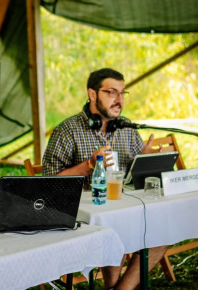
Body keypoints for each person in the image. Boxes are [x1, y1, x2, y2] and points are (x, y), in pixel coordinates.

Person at [42, 68, 167, 289]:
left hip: (124, 208)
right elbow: (49, 182)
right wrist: (89, 165)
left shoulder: (127, 128)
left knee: (163, 231)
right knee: (115, 229)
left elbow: (132, 175)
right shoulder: (67, 130)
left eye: (122, 93)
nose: (119, 100)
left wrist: (144, 160)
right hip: (84, 214)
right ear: (92, 94)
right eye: (111, 92)